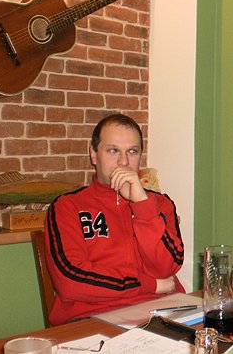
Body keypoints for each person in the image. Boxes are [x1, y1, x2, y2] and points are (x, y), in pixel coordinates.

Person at [45, 113, 185, 325]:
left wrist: (141, 204)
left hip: (163, 311)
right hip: (92, 318)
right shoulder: (67, 207)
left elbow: (167, 267)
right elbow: (70, 281)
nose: (124, 161)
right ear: (94, 155)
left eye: (132, 151)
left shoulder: (160, 204)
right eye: (113, 150)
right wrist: (151, 285)